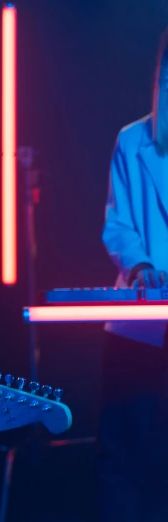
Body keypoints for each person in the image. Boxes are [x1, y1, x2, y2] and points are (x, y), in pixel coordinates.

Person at [98, 28, 168, 522]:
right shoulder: (131, 140)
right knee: (124, 453)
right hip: (138, 328)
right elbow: (117, 222)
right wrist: (141, 265)